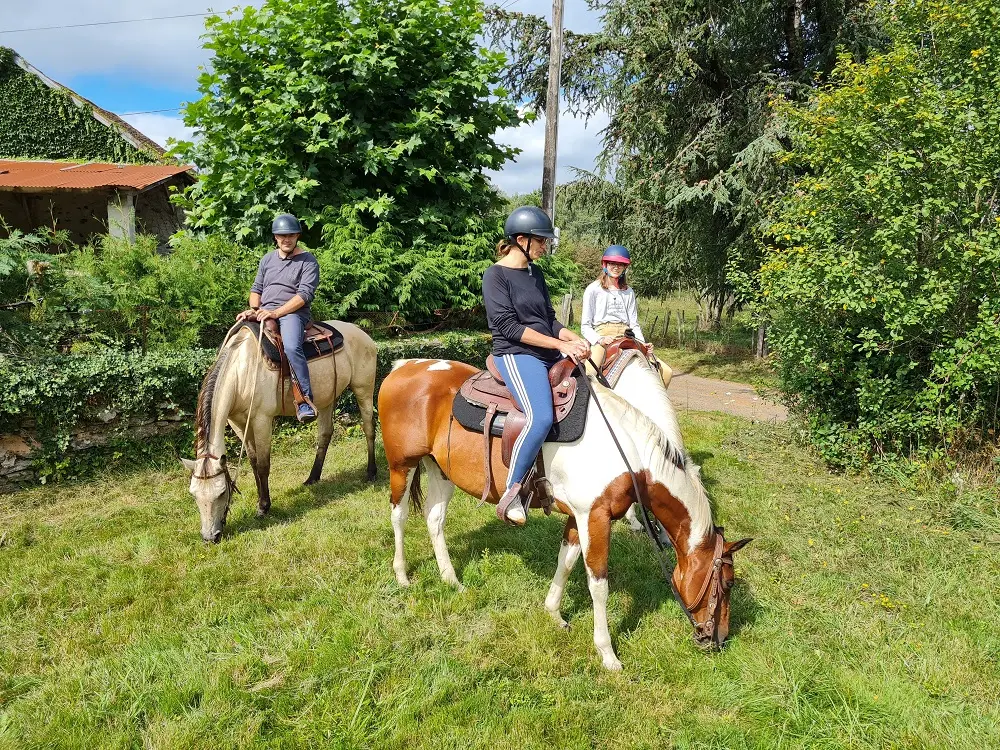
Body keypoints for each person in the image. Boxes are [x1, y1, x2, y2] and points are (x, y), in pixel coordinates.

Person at [483, 206, 591, 526]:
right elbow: (509, 327)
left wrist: (574, 338)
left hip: (546, 349)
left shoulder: (535, 274)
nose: (545, 247)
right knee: (541, 416)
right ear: (521, 240)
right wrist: (561, 346)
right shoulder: (495, 275)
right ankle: (512, 491)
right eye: (540, 241)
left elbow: (549, 320)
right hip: (516, 354)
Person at [236, 213, 321, 423]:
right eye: (281, 235)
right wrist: (254, 309)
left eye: (290, 235)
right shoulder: (267, 259)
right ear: (275, 237)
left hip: (293, 314)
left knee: (292, 346)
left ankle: (303, 400)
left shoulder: (308, 261)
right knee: (236, 339)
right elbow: (256, 289)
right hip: (265, 310)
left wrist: (276, 313)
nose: (286, 239)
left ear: (297, 236)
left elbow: (304, 295)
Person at [581, 245, 672, 388]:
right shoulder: (593, 289)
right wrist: (600, 339)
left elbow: (634, 323)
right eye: (612, 263)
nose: (616, 267)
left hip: (627, 335)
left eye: (621, 264)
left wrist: (643, 343)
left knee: (666, 372)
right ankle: (583, 405)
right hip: (602, 336)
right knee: (589, 373)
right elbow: (585, 326)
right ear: (605, 264)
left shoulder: (628, 291)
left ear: (625, 267)